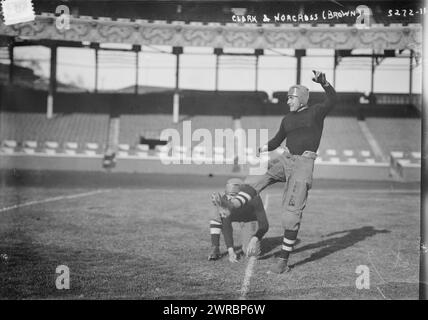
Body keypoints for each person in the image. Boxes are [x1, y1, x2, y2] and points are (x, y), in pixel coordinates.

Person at [212, 70, 337, 273]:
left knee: (290, 215)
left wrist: (324, 83)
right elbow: (278, 140)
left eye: (291, 98)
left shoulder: (315, 112)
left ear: (302, 99)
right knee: (258, 176)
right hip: (285, 159)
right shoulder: (287, 119)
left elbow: (332, 100)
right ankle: (232, 204)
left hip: (303, 165)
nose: (287, 102)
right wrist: (264, 147)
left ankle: (283, 261)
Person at [208, 178, 269, 263]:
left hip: (249, 219)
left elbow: (264, 225)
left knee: (251, 253)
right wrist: (231, 251)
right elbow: (226, 227)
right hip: (234, 216)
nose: (229, 199)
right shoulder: (225, 199)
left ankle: (250, 240)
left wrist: (255, 239)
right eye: (228, 195)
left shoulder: (254, 199)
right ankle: (215, 247)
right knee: (215, 213)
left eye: (233, 195)